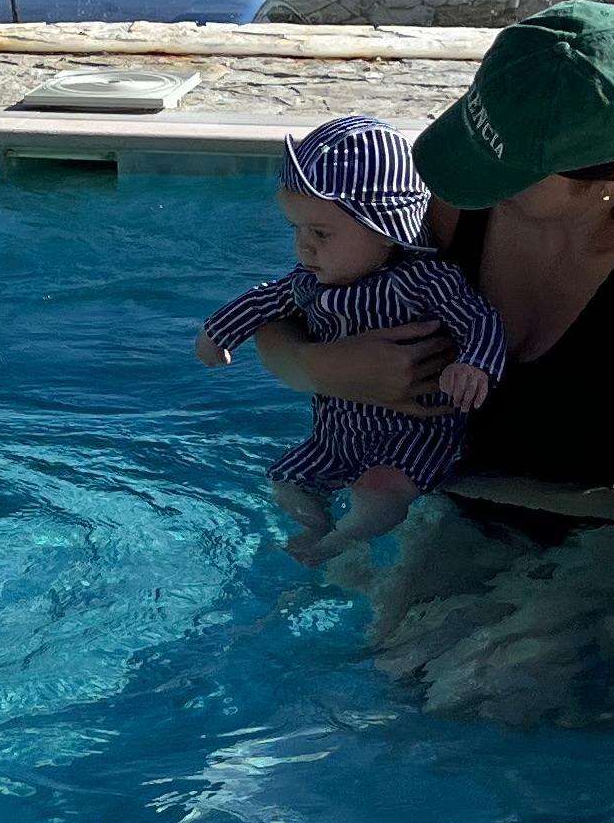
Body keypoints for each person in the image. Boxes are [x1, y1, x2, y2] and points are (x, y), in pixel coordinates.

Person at [238, 0, 614, 719]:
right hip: (457, 513)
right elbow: (280, 316)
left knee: (480, 700)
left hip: (604, 550)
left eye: (506, 166)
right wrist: (324, 371)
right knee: (382, 681)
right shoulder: (458, 193)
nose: (470, 173)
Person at [195, 113, 508, 563]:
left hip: (412, 437)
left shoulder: (424, 282)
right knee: (287, 479)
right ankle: (314, 528)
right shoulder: (310, 281)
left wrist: (474, 364)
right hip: (336, 436)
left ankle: (342, 543)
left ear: (386, 228)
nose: (304, 247)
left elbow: (479, 319)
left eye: (321, 233)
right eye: (297, 230)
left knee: (381, 487)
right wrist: (218, 334)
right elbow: (264, 300)